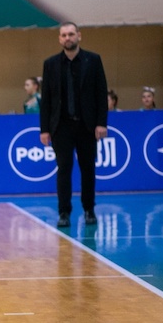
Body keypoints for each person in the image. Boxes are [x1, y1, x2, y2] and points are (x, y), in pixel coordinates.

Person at [39, 22, 108, 229]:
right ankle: (64, 212)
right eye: (64, 35)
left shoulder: (93, 60)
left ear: (79, 36)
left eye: (71, 34)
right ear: (59, 39)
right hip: (61, 126)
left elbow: (101, 93)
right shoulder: (50, 64)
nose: (67, 38)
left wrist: (101, 123)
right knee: (64, 169)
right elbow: (46, 99)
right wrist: (44, 129)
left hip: (87, 125)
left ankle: (89, 209)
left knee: (88, 169)